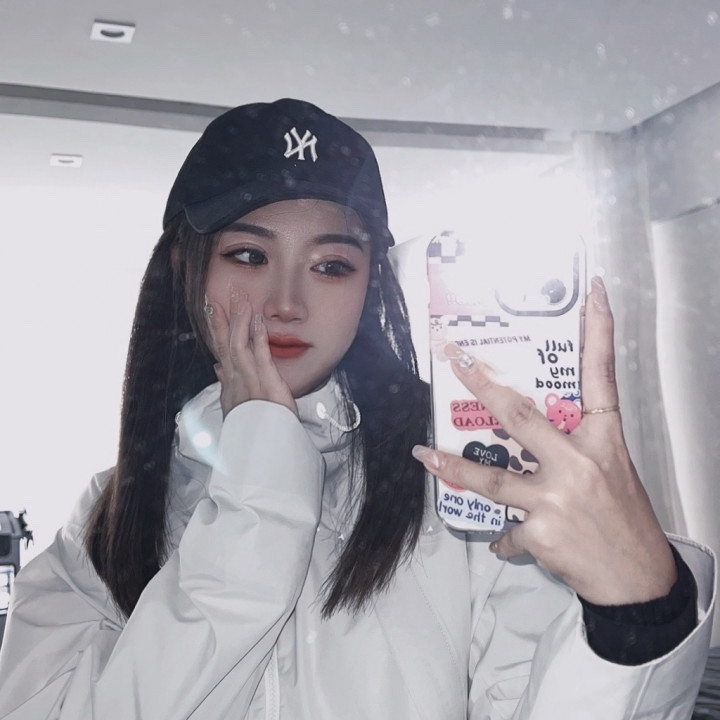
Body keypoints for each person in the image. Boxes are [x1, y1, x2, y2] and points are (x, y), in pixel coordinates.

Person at [0, 98, 714, 720]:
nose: (286, 303)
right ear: (188, 269)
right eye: (248, 255)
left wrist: (638, 614)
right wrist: (259, 497)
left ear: (370, 285)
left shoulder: (459, 487)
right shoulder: (107, 520)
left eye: (331, 265)